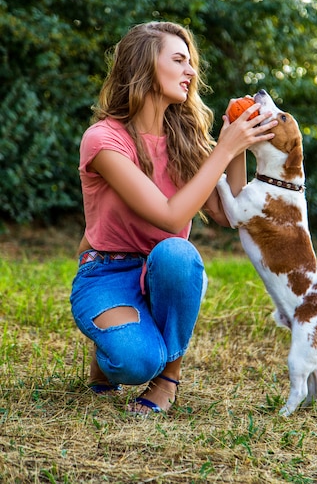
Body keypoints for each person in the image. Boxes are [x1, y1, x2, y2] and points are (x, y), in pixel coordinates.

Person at [70, 21, 277, 416]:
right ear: (145, 68)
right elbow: (169, 215)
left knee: (179, 254)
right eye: (179, 60)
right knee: (135, 363)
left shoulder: (184, 137)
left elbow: (224, 213)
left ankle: (168, 379)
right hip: (107, 272)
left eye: (191, 62)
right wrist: (225, 148)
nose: (191, 71)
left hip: (166, 270)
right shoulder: (103, 139)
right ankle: (114, 354)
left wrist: (235, 141)